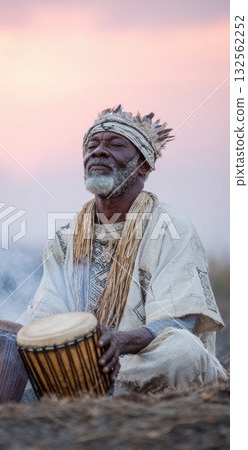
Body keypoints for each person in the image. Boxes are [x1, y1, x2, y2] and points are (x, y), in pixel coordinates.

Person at [18, 105, 227, 393]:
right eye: (92, 145)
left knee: (182, 351)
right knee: (14, 345)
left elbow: (182, 320)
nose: (99, 151)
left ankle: (102, 394)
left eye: (115, 145)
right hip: (81, 368)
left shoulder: (170, 227)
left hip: (145, 362)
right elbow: (45, 315)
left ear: (143, 165)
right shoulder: (64, 240)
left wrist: (119, 342)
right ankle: (88, 387)